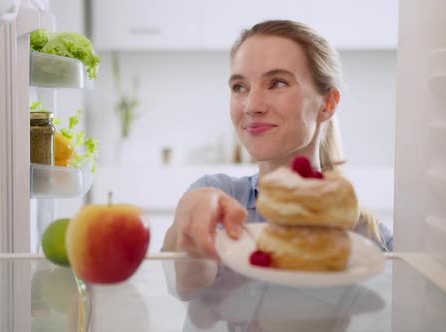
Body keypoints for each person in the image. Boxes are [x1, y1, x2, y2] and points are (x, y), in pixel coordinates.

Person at [162, 20, 393, 292]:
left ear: (327, 104)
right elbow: (184, 288)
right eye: (239, 87)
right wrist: (189, 222)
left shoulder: (368, 237)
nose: (251, 106)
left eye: (277, 83)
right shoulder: (216, 197)